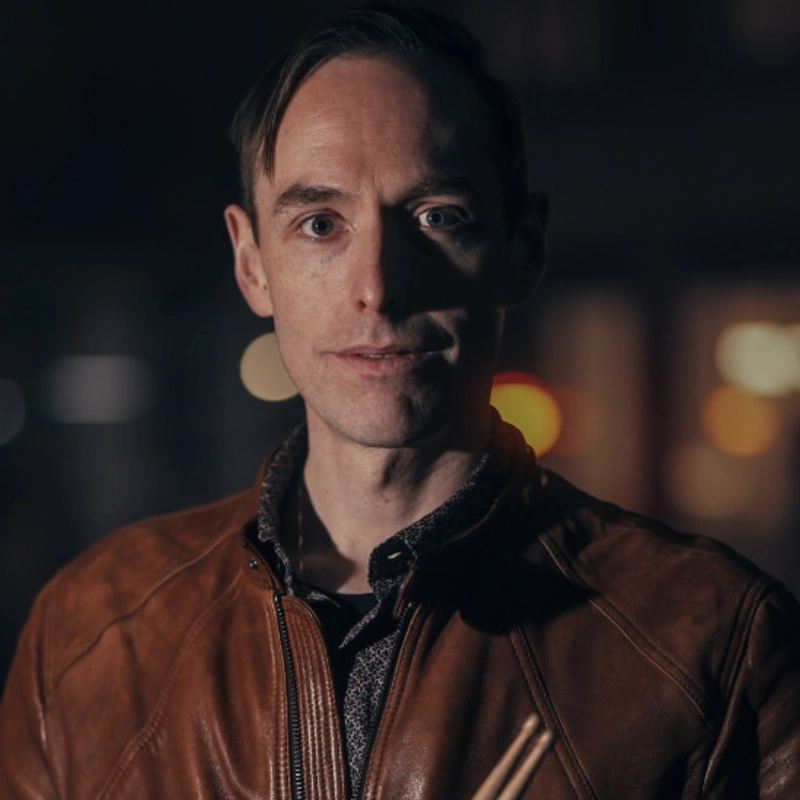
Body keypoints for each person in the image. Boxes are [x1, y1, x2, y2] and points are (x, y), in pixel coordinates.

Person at [1, 4, 799, 799]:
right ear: (252, 264)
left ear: (522, 248)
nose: (377, 288)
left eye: (435, 217)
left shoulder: (714, 643)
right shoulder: (92, 635)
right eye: (320, 224)